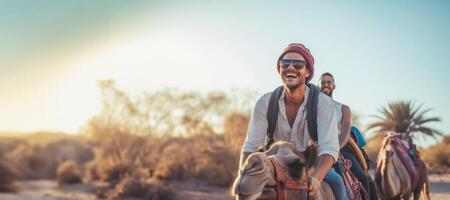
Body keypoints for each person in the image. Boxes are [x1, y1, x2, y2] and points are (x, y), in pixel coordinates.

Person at [240, 43, 346, 199]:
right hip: (275, 164)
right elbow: (251, 146)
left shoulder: (322, 103)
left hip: (311, 164)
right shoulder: (265, 103)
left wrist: (315, 178)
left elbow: (329, 149)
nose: (291, 67)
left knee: (336, 181)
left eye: (298, 64)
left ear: (307, 71)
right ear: (280, 69)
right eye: (285, 63)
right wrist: (244, 173)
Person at [319, 72, 371, 199]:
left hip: (340, 147)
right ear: (318, 85)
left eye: (329, 82)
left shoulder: (343, 108)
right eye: (323, 82)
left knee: (362, 176)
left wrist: (334, 149)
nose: (326, 84)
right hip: (316, 148)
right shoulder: (311, 106)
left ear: (334, 86)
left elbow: (345, 133)